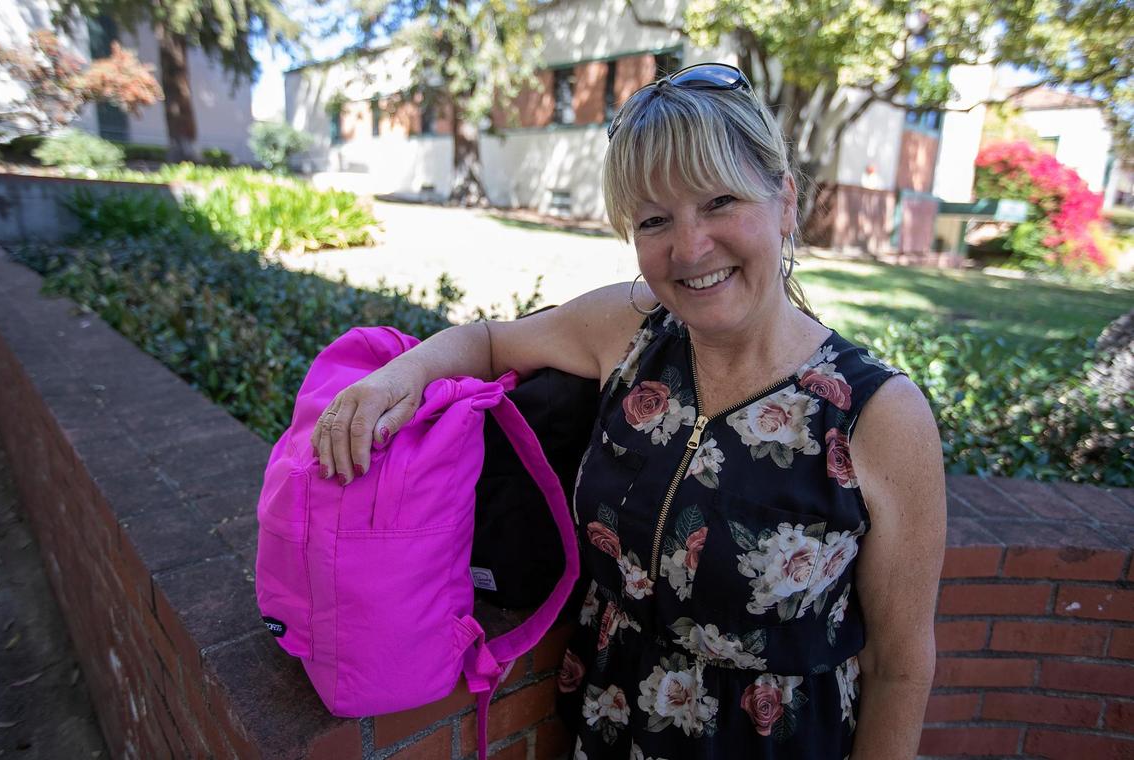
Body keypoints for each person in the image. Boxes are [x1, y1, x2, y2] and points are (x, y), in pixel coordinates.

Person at [310, 63, 946, 759]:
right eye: (654, 219)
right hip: (606, 727)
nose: (690, 247)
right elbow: (489, 341)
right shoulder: (631, 328)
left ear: (786, 202)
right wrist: (398, 376)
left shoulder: (877, 415)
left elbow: (899, 666)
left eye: (719, 201)